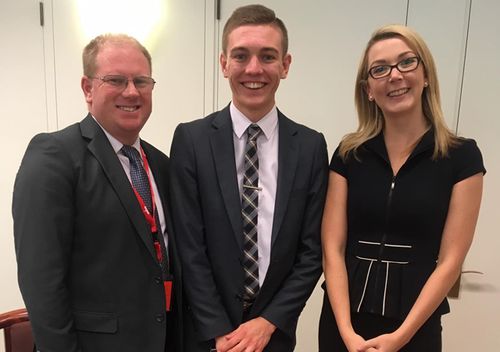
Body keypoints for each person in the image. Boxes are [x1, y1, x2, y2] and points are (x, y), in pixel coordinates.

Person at [169, 4, 328, 352]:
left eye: (267, 56)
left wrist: (268, 322)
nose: (254, 69)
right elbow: (188, 246)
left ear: (285, 66)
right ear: (224, 63)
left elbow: (311, 251)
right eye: (241, 56)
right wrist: (220, 330)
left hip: (274, 335)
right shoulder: (191, 140)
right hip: (206, 336)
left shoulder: (311, 147)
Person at [319, 24, 485, 352]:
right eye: (379, 69)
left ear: (425, 75)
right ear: (368, 89)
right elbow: (332, 249)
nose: (394, 76)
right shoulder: (349, 154)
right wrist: (347, 335)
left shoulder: (461, 157)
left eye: (406, 62)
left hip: (414, 329)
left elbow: (451, 260)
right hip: (344, 324)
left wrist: (401, 337)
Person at [12, 34, 183, 352]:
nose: (131, 92)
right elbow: (42, 283)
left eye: (142, 81)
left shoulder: (161, 164)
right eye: (116, 80)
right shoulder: (54, 155)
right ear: (88, 88)